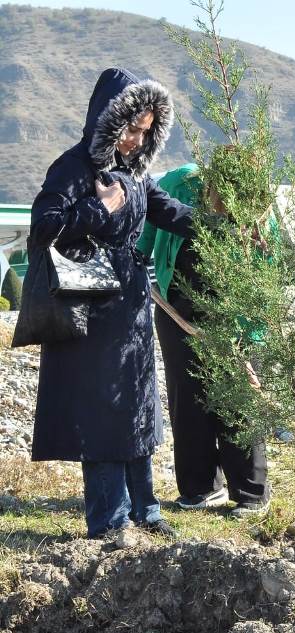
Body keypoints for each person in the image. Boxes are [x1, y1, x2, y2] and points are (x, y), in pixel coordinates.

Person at [28, 68, 192, 539]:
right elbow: (44, 227)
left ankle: (146, 510)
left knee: (136, 404)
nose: (136, 141)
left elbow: (172, 213)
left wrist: (227, 225)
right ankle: (110, 520)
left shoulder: (135, 172)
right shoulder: (72, 167)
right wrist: (101, 209)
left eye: (145, 131)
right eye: (130, 129)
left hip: (132, 306)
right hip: (91, 307)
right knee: (101, 412)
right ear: (108, 118)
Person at [136, 159, 272, 517]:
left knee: (238, 403)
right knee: (188, 401)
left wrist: (245, 330)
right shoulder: (182, 183)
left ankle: (251, 492)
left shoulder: (258, 206)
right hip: (176, 311)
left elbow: (267, 269)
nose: (227, 212)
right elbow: (151, 223)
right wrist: (136, 257)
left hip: (236, 321)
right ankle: (199, 488)